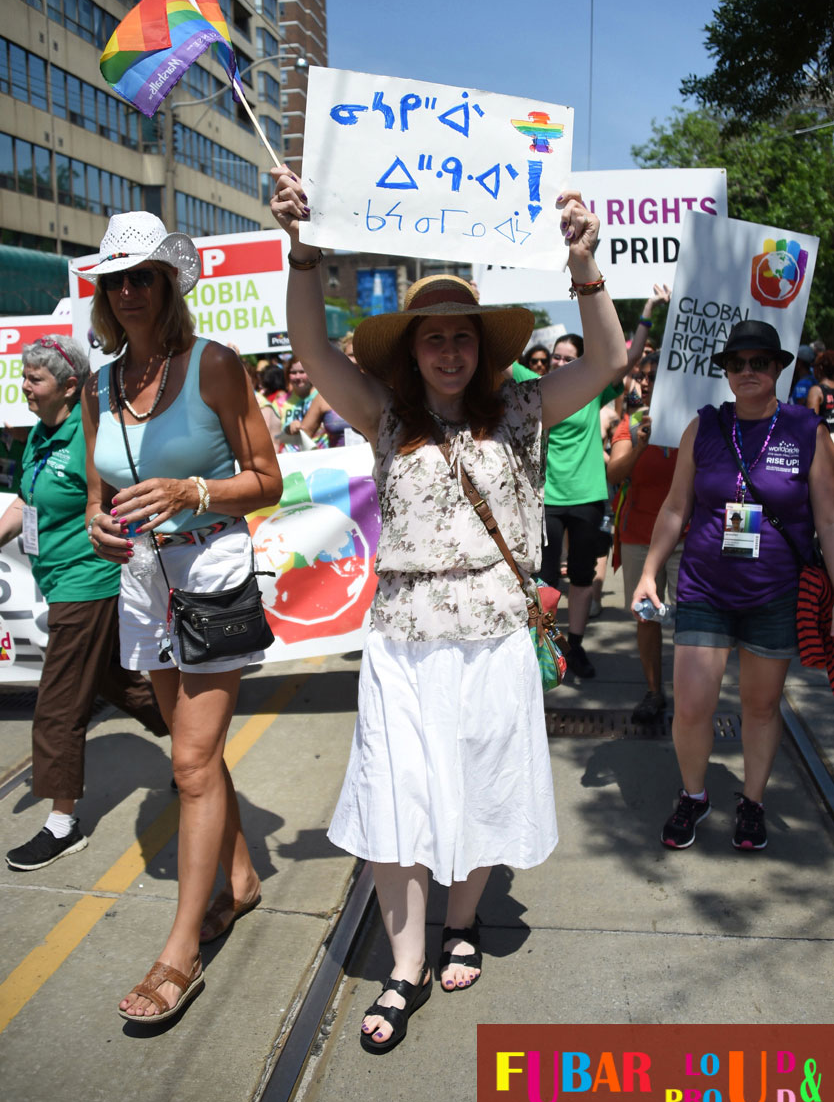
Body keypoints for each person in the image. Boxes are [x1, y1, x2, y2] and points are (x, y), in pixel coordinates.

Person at [270, 168, 626, 1054]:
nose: (449, 352)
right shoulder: (384, 415)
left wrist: (584, 265)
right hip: (401, 644)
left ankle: (461, 920)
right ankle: (404, 962)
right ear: (413, 347)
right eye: (434, 338)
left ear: (482, 345)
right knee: (399, 797)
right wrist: (304, 252)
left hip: (496, 640)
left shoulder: (524, 410)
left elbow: (612, 360)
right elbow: (311, 349)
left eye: (462, 336)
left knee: (481, 792)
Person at [76, 211, 283, 1024]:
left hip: (209, 572)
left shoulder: (214, 366)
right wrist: (97, 525)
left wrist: (193, 490)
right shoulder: (98, 386)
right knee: (193, 754)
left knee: (191, 765)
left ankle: (181, 948)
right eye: (114, 279)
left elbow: (268, 478)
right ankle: (239, 880)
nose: (128, 291)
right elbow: (100, 498)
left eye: (142, 276)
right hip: (138, 582)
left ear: (167, 283)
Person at [632, 320, 834, 851]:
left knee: (761, 707)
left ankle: (752, 801)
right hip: (704, 588)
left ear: (778, 369)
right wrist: (651, 572)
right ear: (725, 371)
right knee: (694, 705)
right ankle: (694, 796)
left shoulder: (807, 430)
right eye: (737, 363)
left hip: (774, 592)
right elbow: (676, 507)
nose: (748, 371)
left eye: (759, 363)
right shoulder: (704, 427)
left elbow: (828, 519)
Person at [3, 335, 168, 872]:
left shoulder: (91, 437)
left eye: (36, 379)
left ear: (70, 386)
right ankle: (190, 737)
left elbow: (124, 499)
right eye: (24, 377)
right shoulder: (39, 435)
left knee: (58, 703)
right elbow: (28, 500)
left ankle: (62, 823)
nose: (24, 388)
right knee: (115, 681)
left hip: (89, 580)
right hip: (59, 580)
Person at [536, 285, 668, 676]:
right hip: (547, 498)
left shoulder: (592, 392)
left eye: (568, 358)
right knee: (545, 580)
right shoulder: (535, 384)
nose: (560, 363)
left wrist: (646, 311)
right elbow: (500, 365)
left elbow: (625, 361)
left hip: (589, 497)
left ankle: (574, 646)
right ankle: (546, 647)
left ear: (580, 362)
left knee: (581, 577)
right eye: (556, 357)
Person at [607, 350, 680, 722]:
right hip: (639, 536)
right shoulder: (631, 422)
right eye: (644, 375)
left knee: (691, 619)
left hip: (687, 537)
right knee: (647, 617)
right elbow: (613, 475)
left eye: (655, 375)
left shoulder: (695, 421)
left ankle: (689, 692)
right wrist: (640, 446)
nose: (647, 382)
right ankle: (654, 692)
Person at [806, 349, 834, 437]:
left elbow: (811, 425)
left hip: (824, 442)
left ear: (820, 368)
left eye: (814, 365)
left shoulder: (816, 391)